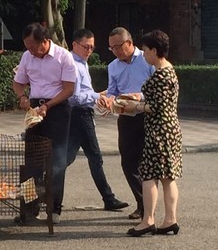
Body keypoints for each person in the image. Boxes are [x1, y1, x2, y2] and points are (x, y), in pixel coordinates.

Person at [13, 23, 76, 224]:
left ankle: (54, 207)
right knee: (31, 160)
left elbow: (69, 89)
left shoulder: (63, 56)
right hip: (34, 108)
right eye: (27, 46)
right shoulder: (27, 56)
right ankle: (29, 207)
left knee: (56, 160)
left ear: (45, 41)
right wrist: (22, 96)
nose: (30, 50)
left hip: (57, 108)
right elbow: (18, 82)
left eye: (33, 46)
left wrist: (48, 106)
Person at [121, 30, 182, 237]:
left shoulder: (160, 74)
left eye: (146, 50)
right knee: (168, 177)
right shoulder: (168, 70)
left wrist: (134, 107)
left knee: (149, 175)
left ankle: (148, 220)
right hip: (170, 129)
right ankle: (170, 219)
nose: (144, 54)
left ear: (155, 50)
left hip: (159, 130)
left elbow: (156, 106)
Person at [67, 29, 129, 211]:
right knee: (93, 157)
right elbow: (75, 96)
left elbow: (83, 92)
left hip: (82, 114)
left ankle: (46, 193)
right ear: (75, 45)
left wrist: (98, 96)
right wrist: (96, 97)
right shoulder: (74, 65)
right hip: (79, 114)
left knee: (68, 158)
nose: (89, 51)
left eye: (92, 47)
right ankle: (108, 198)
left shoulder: (81, 63)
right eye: (86, 46)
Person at [98, 27, 155, 221]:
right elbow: (113, 90)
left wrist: (138, 96)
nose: (115, 51)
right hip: (126, 117)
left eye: (118, 46)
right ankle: (142, 204)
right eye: (111, 48)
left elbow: (157, 87)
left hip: (147, 115)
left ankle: (149, 206)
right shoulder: (113, 66)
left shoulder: (147, 59)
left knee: (148, 162)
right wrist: (108, 99)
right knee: (128, 162)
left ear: (129, 43)